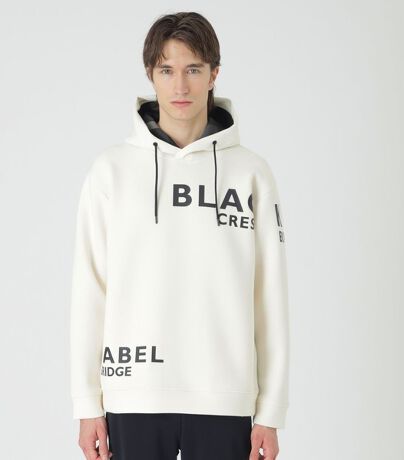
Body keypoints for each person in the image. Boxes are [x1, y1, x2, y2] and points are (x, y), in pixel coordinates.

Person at [70, 11, 290, 460]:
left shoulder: (251, 173)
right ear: (150, 75)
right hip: (134, 393)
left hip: (224, 397)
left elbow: (269, 295)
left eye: (193, 69)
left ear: (214, 74)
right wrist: (86, 402)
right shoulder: (111, 171)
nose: (181, 86)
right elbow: (90, 288)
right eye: (167, 70)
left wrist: (271, 411)